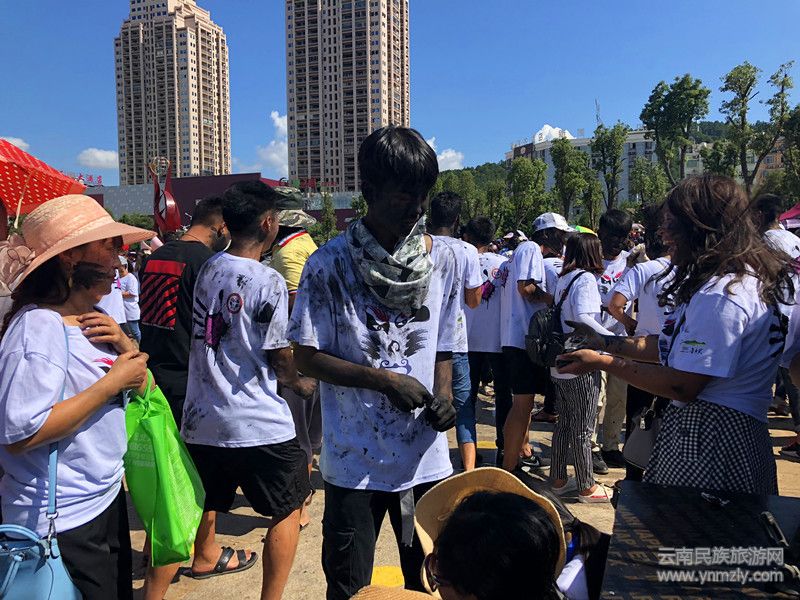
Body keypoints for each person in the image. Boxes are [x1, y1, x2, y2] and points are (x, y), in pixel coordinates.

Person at [288, 126, 458, 599]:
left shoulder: (441, 262)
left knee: (431, 583)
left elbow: (445, 343)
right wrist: (383, 381)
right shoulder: (328, 265)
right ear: (369, 191)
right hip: (354, 464)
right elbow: (306, 357)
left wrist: (444, 395)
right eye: (405, 195)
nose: (418, 208)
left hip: (424, 462)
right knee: (349, 586)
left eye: (424, 195)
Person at [559, 175, 795, 495]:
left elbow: (683, 384)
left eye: (671, 223)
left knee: (688, 526)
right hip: (728, 438)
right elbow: (671, 346)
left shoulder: (723, 294)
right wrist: (604, 342)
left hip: (712, 442)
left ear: (699, 228)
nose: (662, 234)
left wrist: (602, 361)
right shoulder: (739, 281)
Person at [0, 194, 152, 600]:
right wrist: (110, 384)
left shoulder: (93, 321)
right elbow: (20, 435)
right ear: (69, 257)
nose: (118, 260)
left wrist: (125, 348)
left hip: (101, 500)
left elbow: (145, 388)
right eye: (107, 246)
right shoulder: (38, 328)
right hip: (61, 519)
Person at [181, 181, 315, 600]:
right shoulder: (267, 279)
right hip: (257, 421)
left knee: (203, 502)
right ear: (268, 223)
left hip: (203, 417)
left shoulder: (208, 268)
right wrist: (301, 383)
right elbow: (279, 356)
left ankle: (186, 567)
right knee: (288, 507)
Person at [138, 195, 228, 427]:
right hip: (191, 380)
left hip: (151, 373)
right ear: (221, 227)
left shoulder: (153, 258)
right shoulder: (210, 264)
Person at [268, 185, 323, 529]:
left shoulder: (288, 253)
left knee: (296, 433)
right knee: (308, 434)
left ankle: (298, 504)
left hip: (295, 352)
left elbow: (293, 304)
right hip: (312, 351)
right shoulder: (306, 244)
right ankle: (304, 494)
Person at [608, 204, 672, 481]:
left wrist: (630, 324)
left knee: (638, 414)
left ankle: (634, 474)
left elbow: (615, 304)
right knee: (670, 417)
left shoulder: (644, 270)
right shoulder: (691, 271)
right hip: (677, 356)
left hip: (643, 352)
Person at [550, 234, 613, 503]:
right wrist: (613, 342)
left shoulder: (564, 278)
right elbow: (584, 318)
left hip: (559, 359)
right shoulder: (586, 279)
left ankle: (558, 479)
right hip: (581, 360)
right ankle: (587, 486)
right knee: (584, 426)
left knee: (564, 422)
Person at [428, 191, 482, 470]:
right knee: (463, 410)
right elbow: (473, 301)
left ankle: (426, 469)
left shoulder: (420, 246)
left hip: (422, 344)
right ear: (457, 220)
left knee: (424, 406)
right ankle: (469, 471)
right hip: (454, 342)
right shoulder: (467, 251)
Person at [498, 221, 552, 472]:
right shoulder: (531, 248)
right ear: (547, 235)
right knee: (522, 406)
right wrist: (553, 300)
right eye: (559, 234)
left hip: (514, 336)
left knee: (522, 405)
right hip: (522, 337)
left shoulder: (519, 252)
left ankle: (518, 455)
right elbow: (526, 288)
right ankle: (509, 467)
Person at [462, 217, 512, 467]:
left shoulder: (463, 260)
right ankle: (504, 446)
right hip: (499, 339)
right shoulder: (504, 265)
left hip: (467, 339)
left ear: (468, 237)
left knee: (466, 398)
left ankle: (468, 451)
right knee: (504, 396)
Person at [754, 193, 800, 455]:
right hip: (795, 311)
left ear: (759, 215)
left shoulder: (765, 242)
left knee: (788, 375)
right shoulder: (793, 239)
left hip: (779, 314)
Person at [592, 209, 634, 473]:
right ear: (600, 233)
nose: (616, 241)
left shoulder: (632, 262)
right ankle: (590, 447)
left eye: (622, 236)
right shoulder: (589, 259)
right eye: (611, 235)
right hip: (594, 339)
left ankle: (610, 446)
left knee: (619, 397)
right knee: (596, 397)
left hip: (622, 341)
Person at [530, 212, 575, 424]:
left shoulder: (551, 263)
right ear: (546, 235)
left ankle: (551, 408)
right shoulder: (549, 264)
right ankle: (552, 408)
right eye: (560, 234)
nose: (564, 239)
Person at [118, 256, 141, 342]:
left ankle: (141, 345)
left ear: (124, 266)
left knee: (135, 332)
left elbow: (132, 293)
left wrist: (117, 294)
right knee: (124, 332)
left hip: (130, 309)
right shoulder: (118, 278)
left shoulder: (131, 278)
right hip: (121, 310)